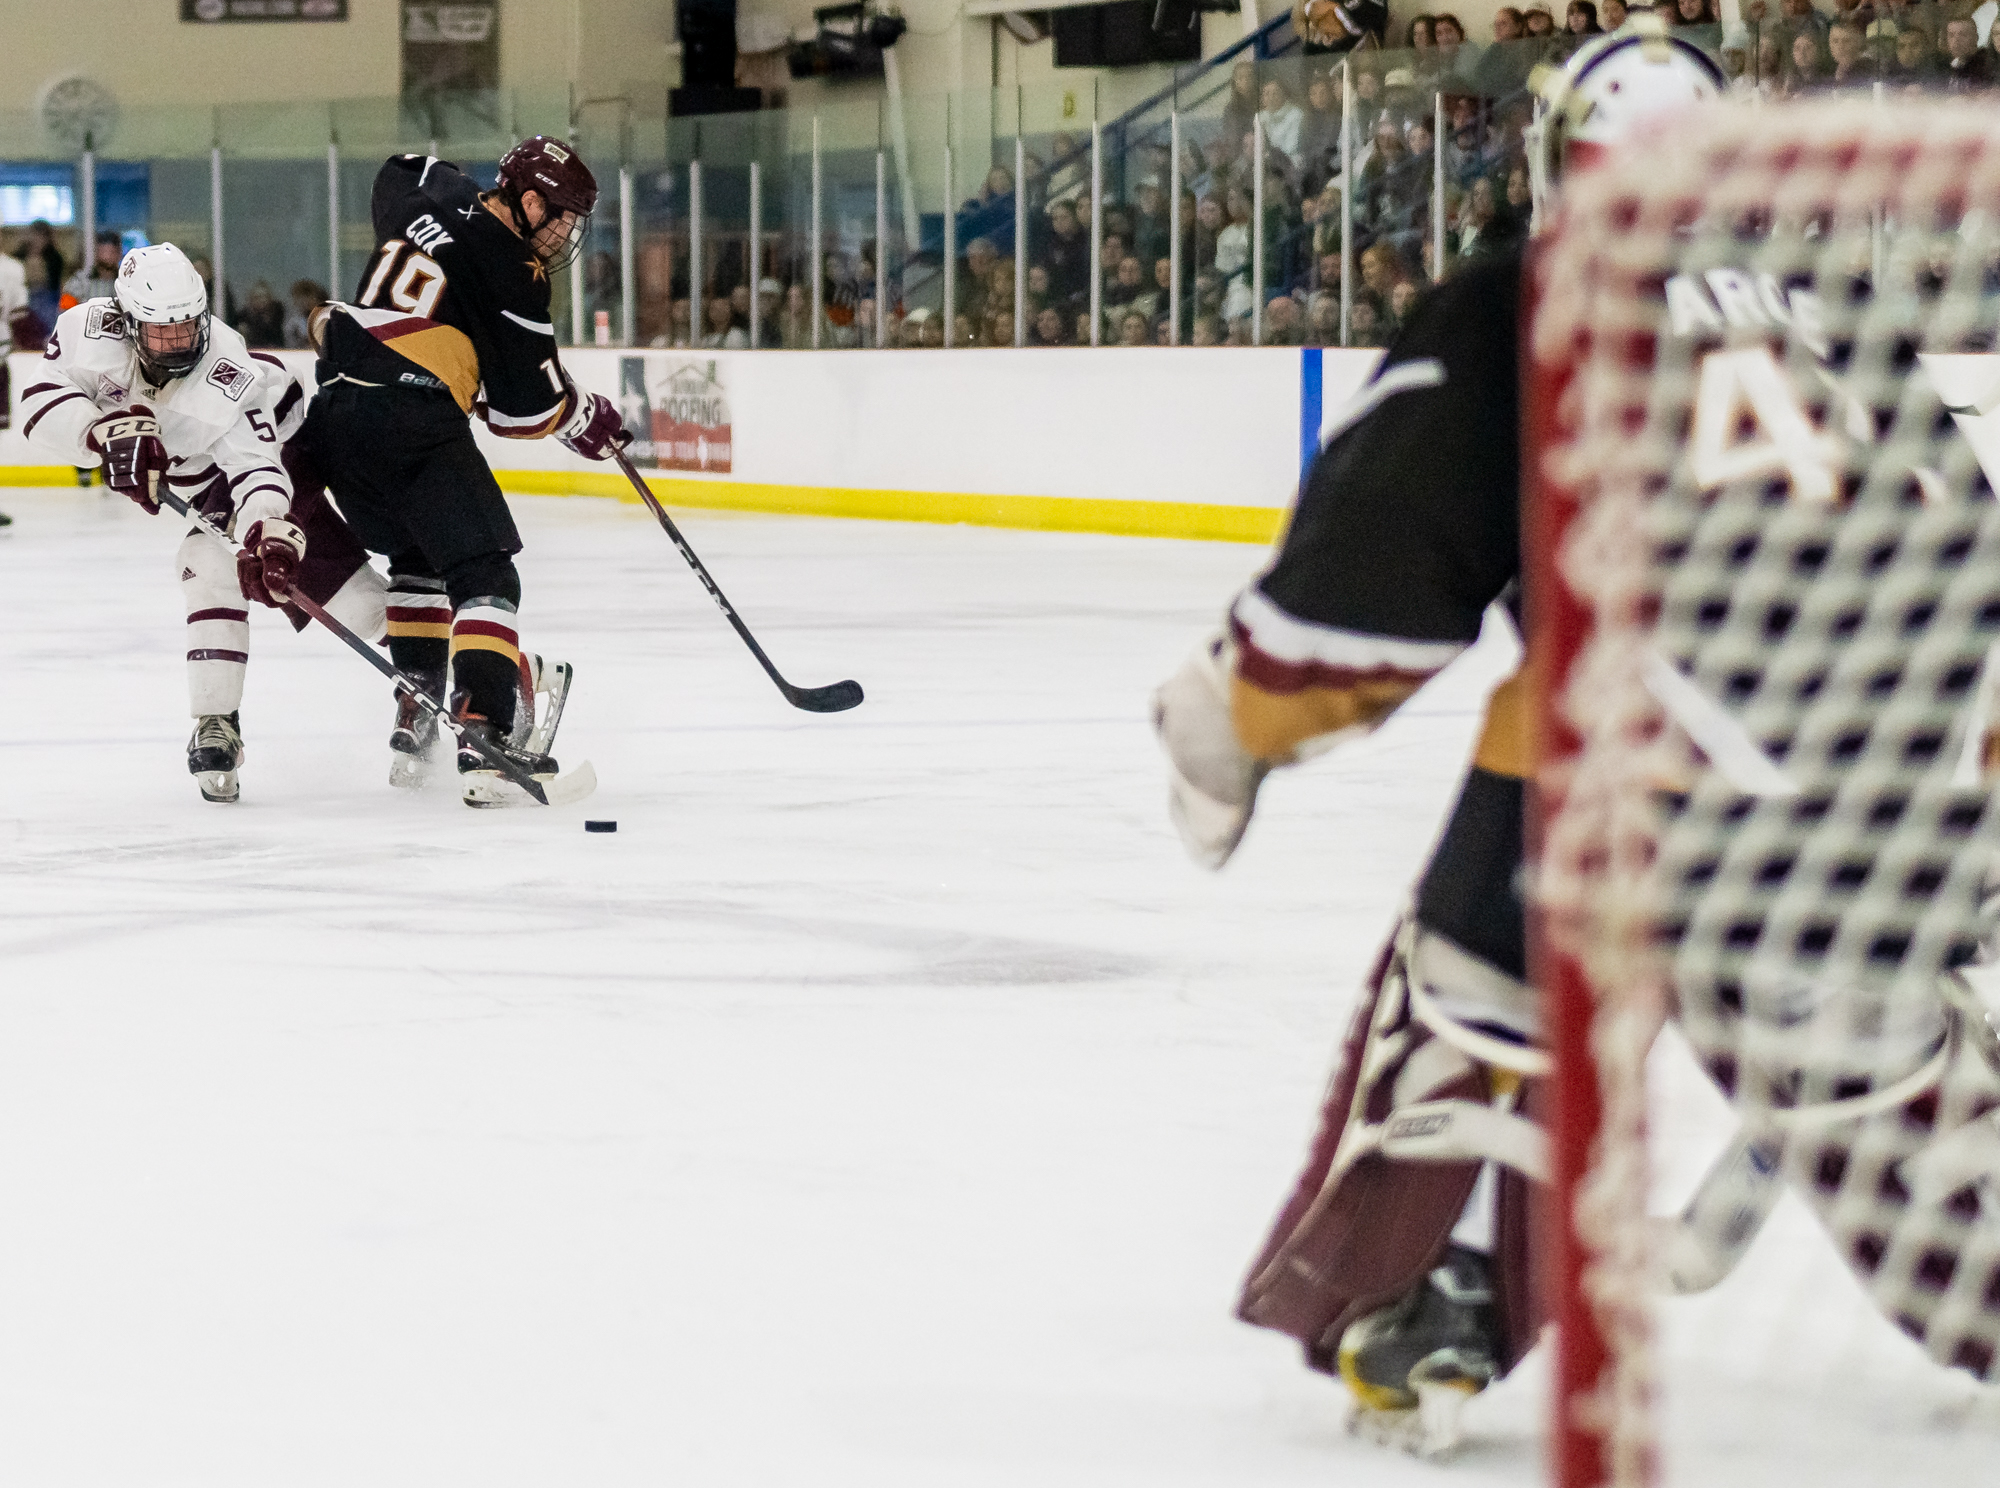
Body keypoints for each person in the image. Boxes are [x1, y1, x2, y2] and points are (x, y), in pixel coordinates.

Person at [1151, 22, 1728, 1452]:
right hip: (1895, 766)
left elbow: (1367, 597)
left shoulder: (1524, 309)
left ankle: (1441, 1278)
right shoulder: (1827, 317)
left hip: (1643, 762)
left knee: (1481, 985)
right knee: (1878, 1029)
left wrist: (1232, 716)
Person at [293, 138, 626, 803]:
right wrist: (586, 417)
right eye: (559, 214)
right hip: (411, 419)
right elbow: (523, 411)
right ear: (528, 201)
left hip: (335, 417)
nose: (564, 232)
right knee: (485, 574)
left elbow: (397, 167)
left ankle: (416, 718)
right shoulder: (515, 275)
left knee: (417, 557)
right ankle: (485, 729)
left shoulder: (431, 191)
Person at [19, 243, 384, 801]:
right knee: (360, 606)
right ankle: (218, 720)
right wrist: (102, 433)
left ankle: (484, 665)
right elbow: (38, 402)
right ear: (126, 319)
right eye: (162, 332)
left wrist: (268, 529)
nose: (178, 343)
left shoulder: (226, 368)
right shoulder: (88, 329)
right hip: (206, 474)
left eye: (187, 328)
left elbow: (256, 464)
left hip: (286, 453)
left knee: (211, 560)